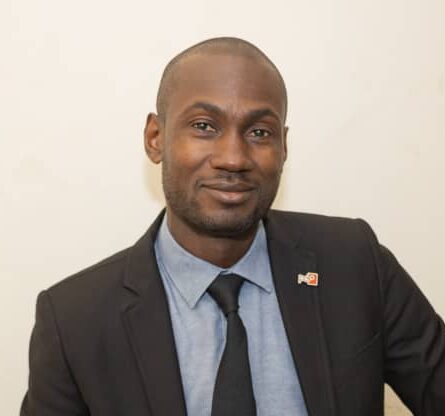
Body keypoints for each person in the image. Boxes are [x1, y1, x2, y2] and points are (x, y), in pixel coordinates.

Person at [21, 37, 445, 416]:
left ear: (284, 147)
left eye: (259, 132)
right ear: (155, 137)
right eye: (204, 127)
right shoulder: (75, 320)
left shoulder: (355, 262)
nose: (233, 158)